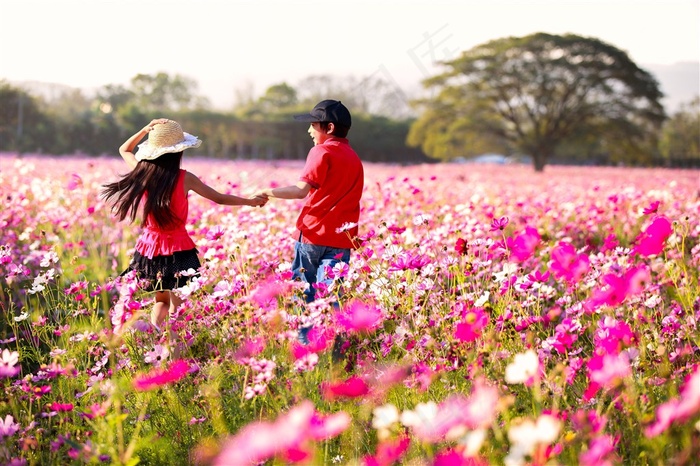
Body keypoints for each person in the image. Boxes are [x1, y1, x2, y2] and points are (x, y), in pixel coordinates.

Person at [102, 118, 267, 331]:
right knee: (180, 308)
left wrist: (145, 128)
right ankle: (174, 349)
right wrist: (250, 201)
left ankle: (156, 336)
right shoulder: (185, 178)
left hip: (150, 247)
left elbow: (124, 149)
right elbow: (219, 198)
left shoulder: (142, 171)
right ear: (178, 152)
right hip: (178, 249)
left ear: (153, 151)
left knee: (161, 300)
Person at [255, 100, 364, 345]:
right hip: (341, 241)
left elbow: (300, 190)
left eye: (313, 125)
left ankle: (306, 348)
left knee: (304, 293)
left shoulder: (321, 152)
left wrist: (267, 192)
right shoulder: (354, 158)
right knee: (332, 296)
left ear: (330, 127)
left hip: (313, 236)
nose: (309, 131)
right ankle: (335, 350)